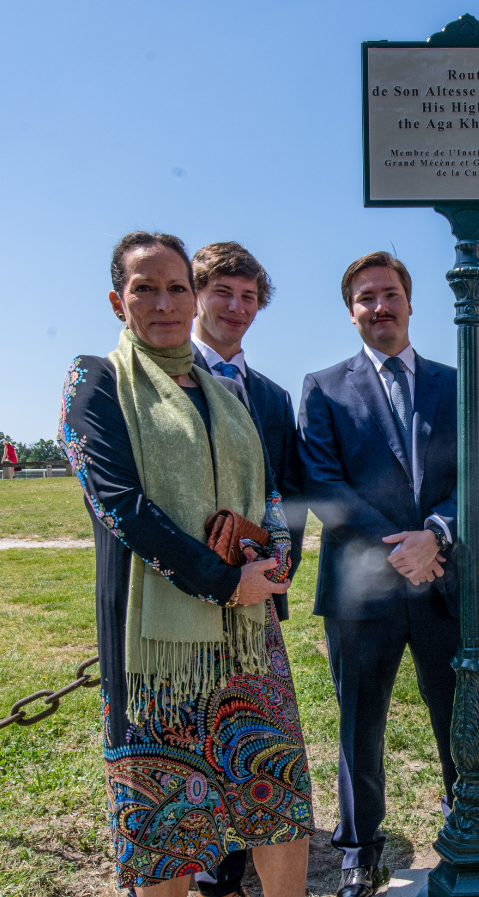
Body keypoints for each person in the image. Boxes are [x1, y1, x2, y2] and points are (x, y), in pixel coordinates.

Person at [59, 231, 312, 897]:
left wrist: (278, 554)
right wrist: (225, 583)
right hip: (156, 650)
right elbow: (121, 506)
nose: (164, 302)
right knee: (164, 833)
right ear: (120, 300)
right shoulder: (96, 380)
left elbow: (271, 492)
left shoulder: (223, 392)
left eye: (175, 286)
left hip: (247, 642)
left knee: (279, 807)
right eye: (146, 287)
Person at [297, 251, 459, 897]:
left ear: (410, 302)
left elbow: (469, 474)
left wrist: (435, 537)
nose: (379, 306)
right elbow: (323, 485)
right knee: (360, 723)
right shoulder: (323, 387)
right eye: (365, 298)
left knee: (458, 712)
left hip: (442, 579)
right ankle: (361, 846)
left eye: (389, 294)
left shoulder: (453, 380)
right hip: (360, 591)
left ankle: (464, 820)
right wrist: (401, 548)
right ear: (351, 312)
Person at [188, 241, 307, 897]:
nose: (236, 308)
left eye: (249, 297)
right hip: (182, 597)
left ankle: (240, 864)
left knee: (255, 738)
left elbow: (287, 496)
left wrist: (278, 563)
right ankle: (213, 870)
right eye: (223, 293)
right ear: (198, 294)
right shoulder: (169, 380)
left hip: (257, 599)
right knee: (196, 744)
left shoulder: (271, 397)